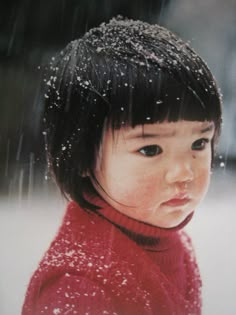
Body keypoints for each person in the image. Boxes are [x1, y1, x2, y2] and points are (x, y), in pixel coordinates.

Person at [22, 16, 222, 315]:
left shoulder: (161, 235)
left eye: (199, 144)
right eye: (151, 149)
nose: (184, 172)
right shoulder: (80, 289)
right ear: (84, 157)